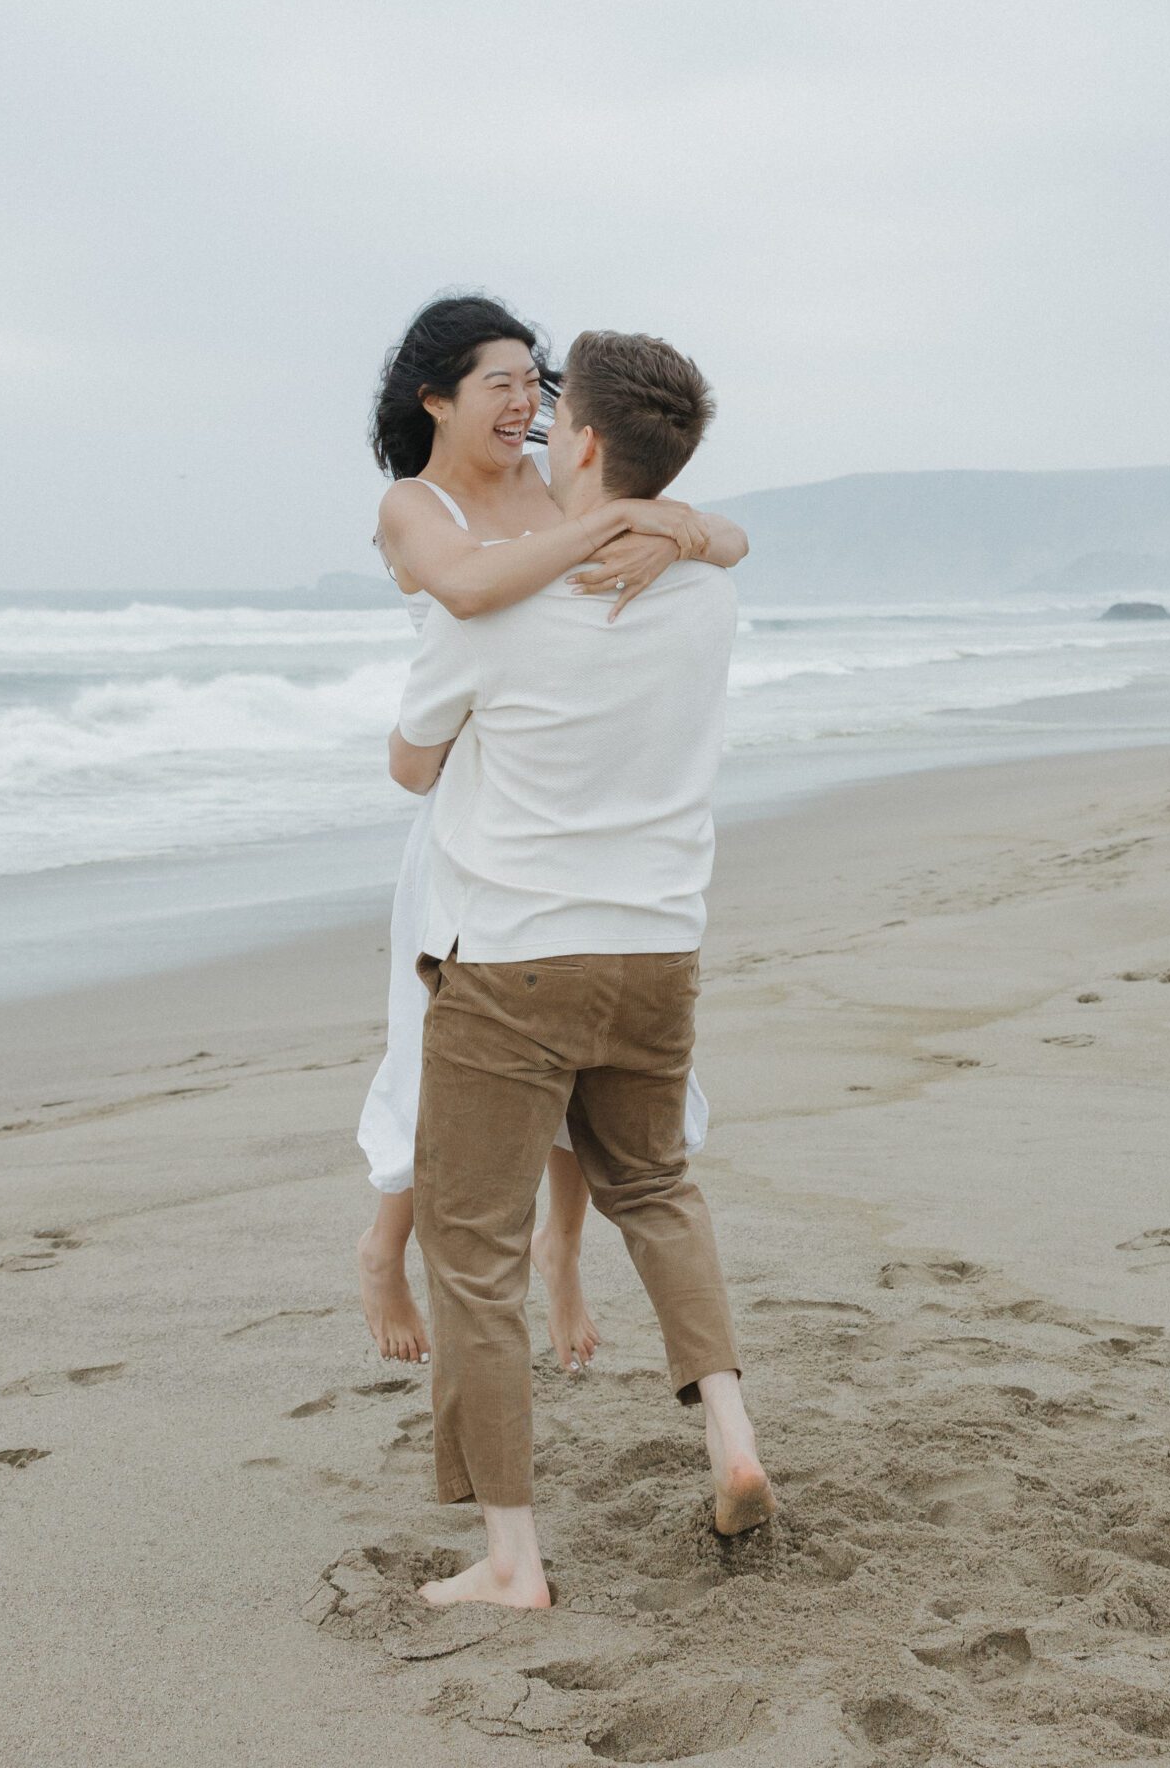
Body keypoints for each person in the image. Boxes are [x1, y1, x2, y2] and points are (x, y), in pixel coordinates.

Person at [389, 328, 770, 1610]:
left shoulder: (495, 597)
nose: (539, 432)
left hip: (515, 966)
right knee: (656, 1185)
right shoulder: (707, 592)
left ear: (590, 442)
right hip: (658, 950)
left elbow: (409, 761)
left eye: (556, 420)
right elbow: (721, 545)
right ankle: (732, 1435)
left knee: (477, 1254)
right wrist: (693, 531)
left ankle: (511, 1557)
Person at [354, 295, 744, 1371]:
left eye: (536, 379)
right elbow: (474, 589)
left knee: (582, 1062)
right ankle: (384, 1247)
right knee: (430, 1061)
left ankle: (561, 1245)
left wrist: (681, 530)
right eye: (500, 381)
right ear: (436, 397)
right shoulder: (415, 505)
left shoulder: (553, 478)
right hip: (474, 822)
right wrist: (629, 527)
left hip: (568, 795)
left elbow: (734, 537)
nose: (526, 399)